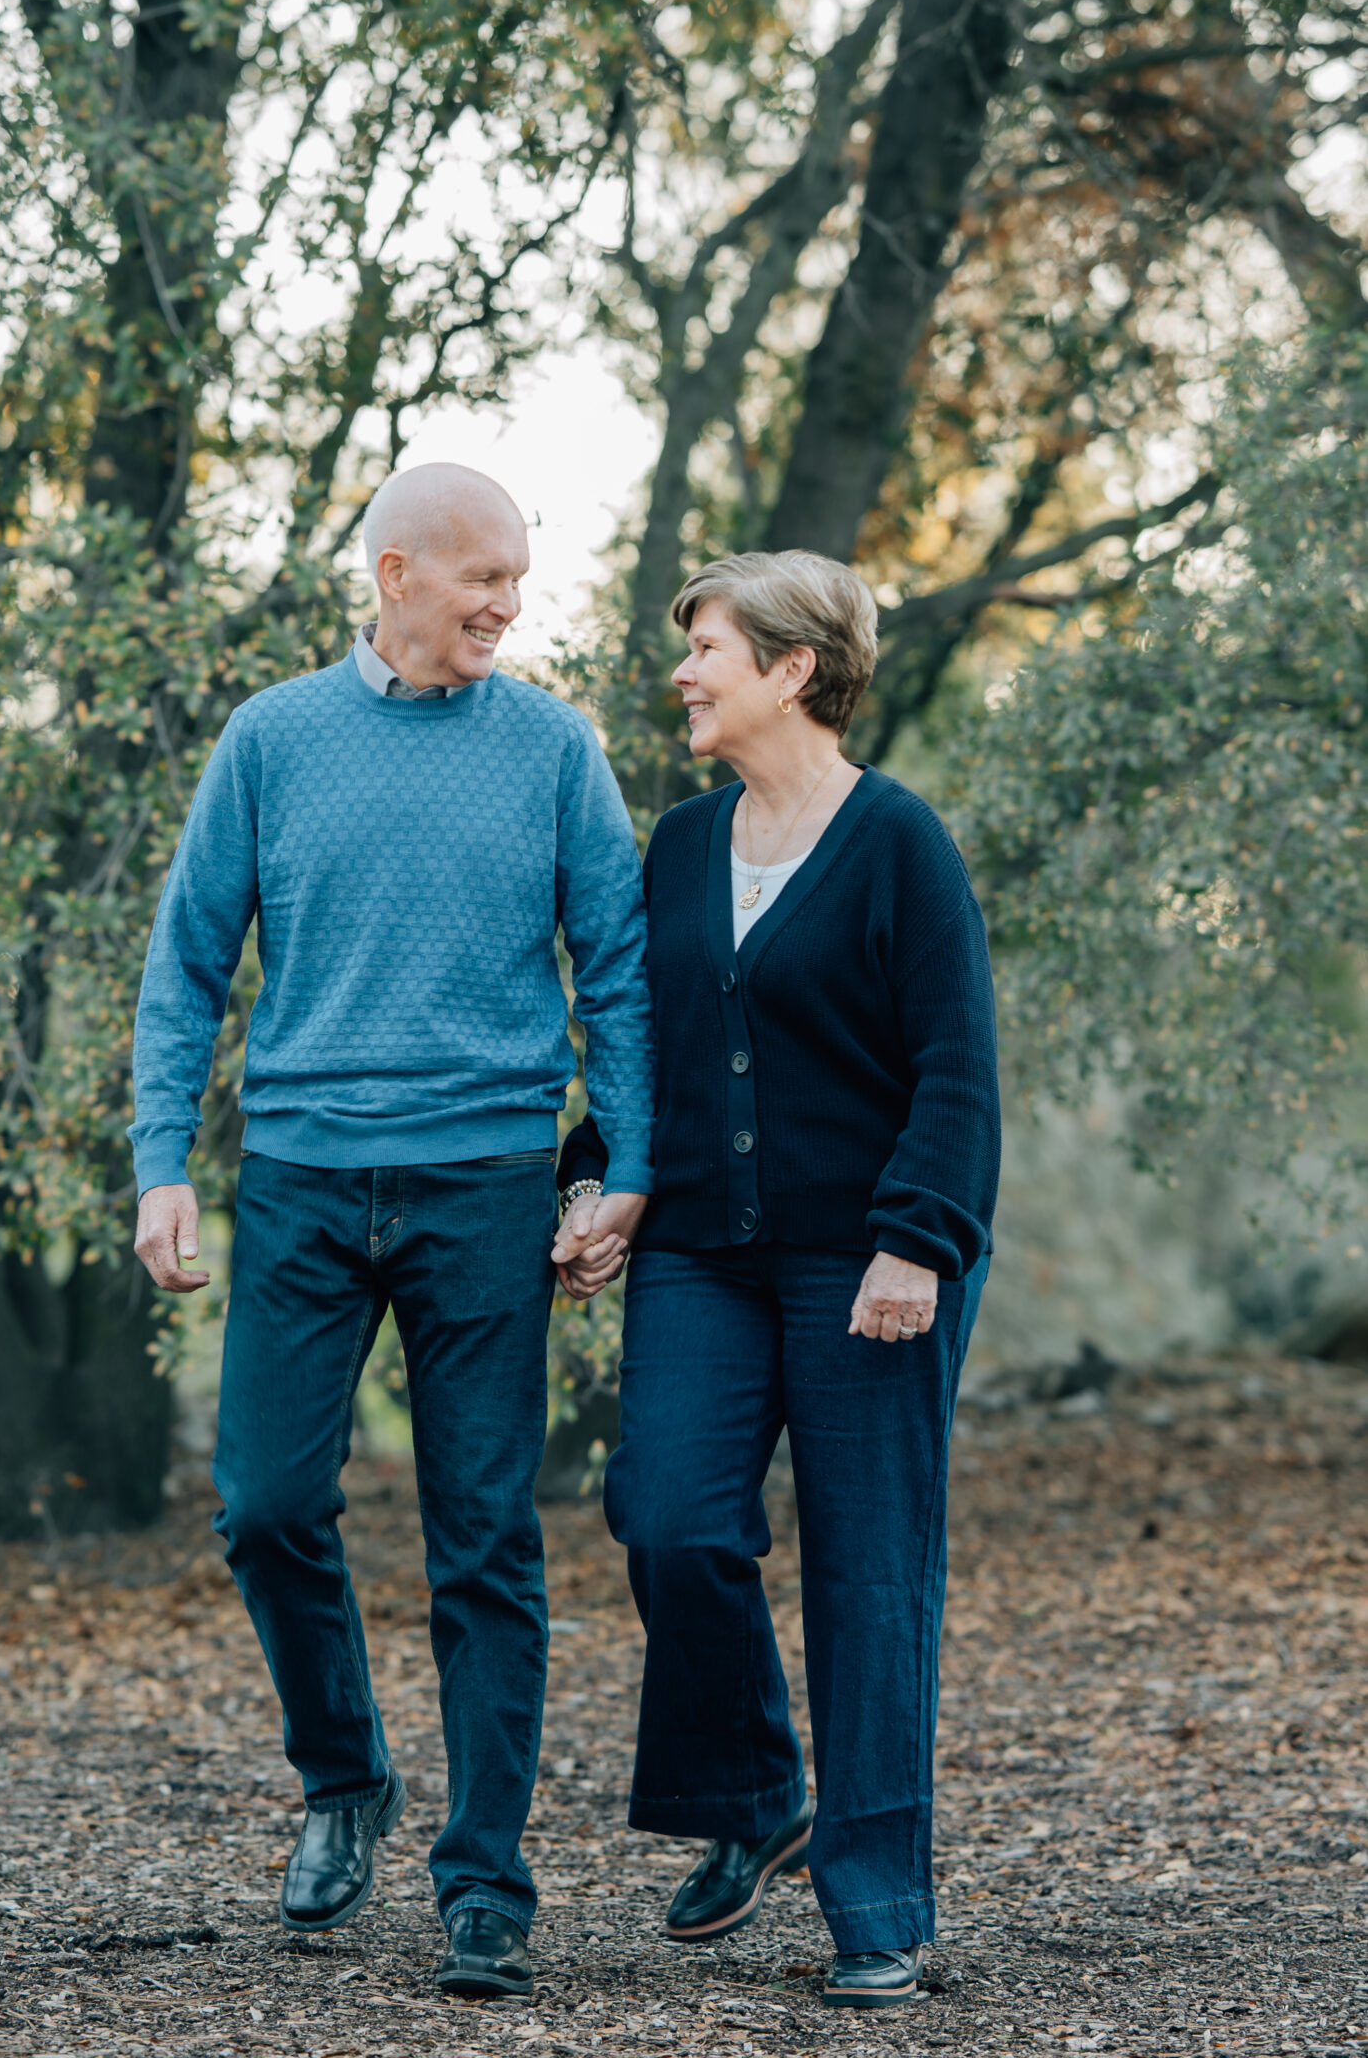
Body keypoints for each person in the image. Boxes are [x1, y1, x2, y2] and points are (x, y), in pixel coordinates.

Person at [129, 463, 653, 2003]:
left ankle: (485, 1880)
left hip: (488, 1186)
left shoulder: (557, 750)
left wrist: (609, 1169)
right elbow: (188, 963)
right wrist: (166, 1162)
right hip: (298, 1175)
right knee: (263, 1506)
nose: (506, 605)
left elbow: (615, 974)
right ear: (395, 572)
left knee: (484, 1537)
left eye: (520, 583)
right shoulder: (274, 739)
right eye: (482, 578)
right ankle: (345, 1775)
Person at [552, 548, 998, 2012]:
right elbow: (644, 1035)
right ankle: (755, 1795)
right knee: (668, 1516)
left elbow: (956, 1067)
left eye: (707, 651)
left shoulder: (897, 845)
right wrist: (594, 1173)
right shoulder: (681, 846)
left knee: (871, 1577)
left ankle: (877, 1907)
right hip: (701, 1253)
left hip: (870, 1261)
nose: (681, 673)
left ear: (792, 671)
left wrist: (916, 1238)